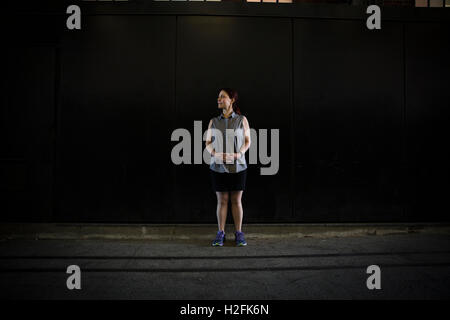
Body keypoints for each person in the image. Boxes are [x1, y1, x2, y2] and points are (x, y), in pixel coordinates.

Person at [205, 88, 251, 247]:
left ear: (231, 100)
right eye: (218, 97)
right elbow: (208, 144)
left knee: (236, 201)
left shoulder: (241, 120)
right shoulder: (213, 121)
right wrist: (215, 154)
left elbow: (247, 141)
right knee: (222, 201)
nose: (218, 99)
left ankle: (239, 234)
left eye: (222, 97)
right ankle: (221, 233)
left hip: (238, 167)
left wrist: (239, 154)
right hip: (218, 168)